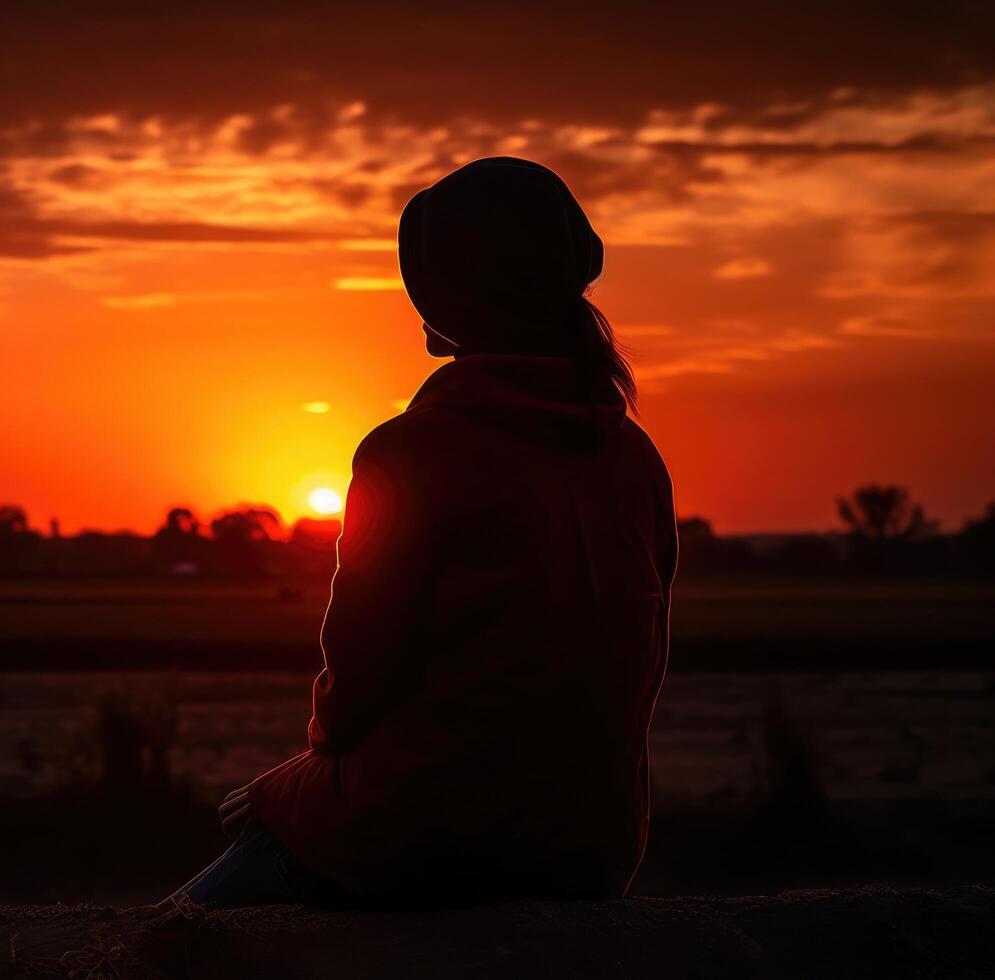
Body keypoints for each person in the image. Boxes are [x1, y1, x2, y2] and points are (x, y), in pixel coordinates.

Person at [169, 157, 676, 909]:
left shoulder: (410, 451)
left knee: (170, 939)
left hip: (431, 830)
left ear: (441, 298)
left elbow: (352, 695)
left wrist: (291, 792)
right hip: (593, 846)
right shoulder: (633, 457)